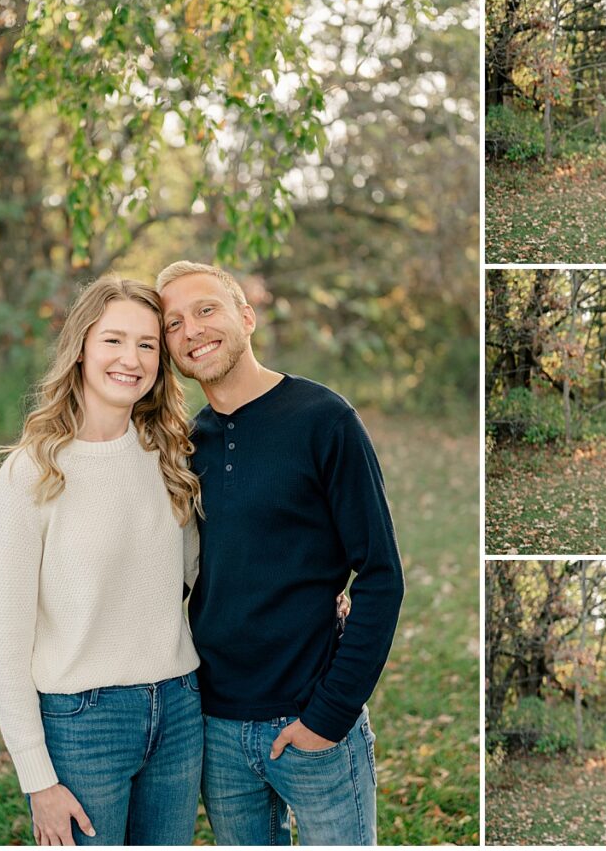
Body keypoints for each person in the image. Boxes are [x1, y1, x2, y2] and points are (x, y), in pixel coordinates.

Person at [156, 260, 405, 846]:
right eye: (172, 323)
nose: (191, 330)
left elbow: (380, 575)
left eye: (206, 309)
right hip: (215, 727)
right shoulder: (186, 445)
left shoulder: (324, 420)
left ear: (246, 317)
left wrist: (329, 715)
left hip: (314, 721)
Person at [0, 276, 205, 846]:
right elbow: (2, 644)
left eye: (148, 344)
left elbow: (205, 578)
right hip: (83, 725)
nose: (131, 359)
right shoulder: (31, 473)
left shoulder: (168, 457)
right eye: (114, 340)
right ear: (81, 346)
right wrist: (38, 780)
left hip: (179, 710)